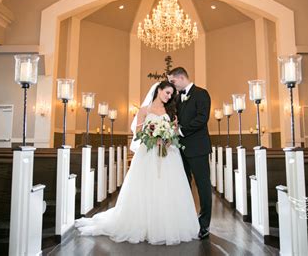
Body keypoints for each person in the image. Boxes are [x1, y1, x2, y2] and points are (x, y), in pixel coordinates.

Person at [75, 81, 199, 245]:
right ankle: (143, 225)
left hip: (168, 154)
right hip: (147, 153)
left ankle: (167, 225)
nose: (169, 97)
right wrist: (153, 137)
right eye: (167, 93)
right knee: (145, 186)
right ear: (158, 90)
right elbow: (139, 133)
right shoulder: (144, 110)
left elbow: (174, 131)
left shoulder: (170, 111)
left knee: (169, 186)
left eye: (171, 94)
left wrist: (169, 139)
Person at [167, 67, 212, 240]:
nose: (172, 85)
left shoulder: (201, 93)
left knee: (203, 186)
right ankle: (186, 220)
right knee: (183, 185)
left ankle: (205, 224)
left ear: (181, 77)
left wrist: (181, 131)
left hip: (198, 148)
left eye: (173, 81)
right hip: (179, 149)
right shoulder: (177, 98)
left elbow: (202, 118)